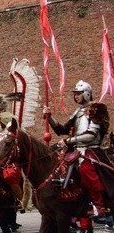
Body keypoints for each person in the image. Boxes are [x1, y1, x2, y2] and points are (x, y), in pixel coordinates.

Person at [44, 82, 113, 217]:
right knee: (58, 168)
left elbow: (91, 135)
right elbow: (62, 130)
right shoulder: (77, 112)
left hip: (91, 150)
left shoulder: (95, 109)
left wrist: (68, 141)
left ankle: (99, 205)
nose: (76, 97)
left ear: (87, 93)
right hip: (76, 150)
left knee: (85, 169)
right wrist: (49, 117)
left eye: (78, 94)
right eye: (75, 94)